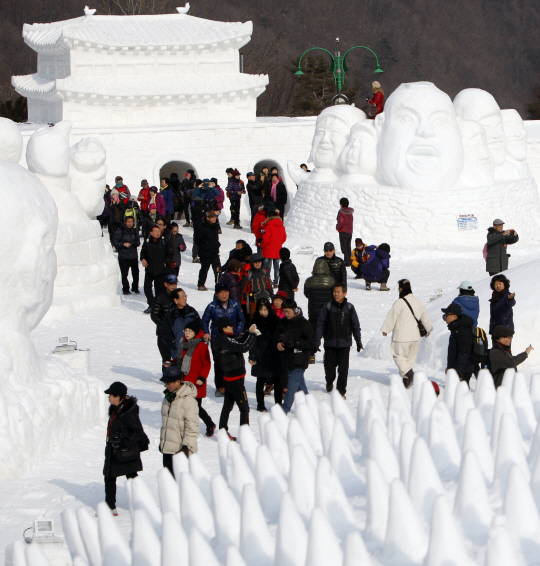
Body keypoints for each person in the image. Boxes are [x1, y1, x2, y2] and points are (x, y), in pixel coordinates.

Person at [103, 381, 148, 515]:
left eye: (111, 395)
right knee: (110, 476)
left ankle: (140, 505)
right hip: (114, 449)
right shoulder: (115, 409)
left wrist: (122, 443)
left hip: (125, 451)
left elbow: (138, 432)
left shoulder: (128, 413)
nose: (109, 398)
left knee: (131, 477)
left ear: (119, 397)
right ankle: (110, 507)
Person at [381, 279, 433, 388]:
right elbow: (425, 317)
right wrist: (428, 329)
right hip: (415, 338)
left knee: (398, 356)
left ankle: (409, 374)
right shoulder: (418, 301)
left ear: (401, 289)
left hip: (401, 337)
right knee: (409, 361)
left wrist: (386, 329)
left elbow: (392, 316)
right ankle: (406, 381)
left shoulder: (400, 302)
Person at [214, 317, 258, 439]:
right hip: (235, 379)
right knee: (244, 408)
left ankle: (223, 431)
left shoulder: (223, 339)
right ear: (224, 328)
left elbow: (239, 342)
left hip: (230, 378)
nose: (232, 327)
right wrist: (253, 334)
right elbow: (243, 347)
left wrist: (248, 333)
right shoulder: (226, 341)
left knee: (227, 406)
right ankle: (245, 437)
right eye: (229, 325)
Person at [315, 284, 362, 398]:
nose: (336, 294)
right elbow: (320, 324)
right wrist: (317, 340)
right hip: (330, 343)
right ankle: (329, 381)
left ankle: (341, 391)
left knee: (343, 370)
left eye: (338, 292)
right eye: (334, 292)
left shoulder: (350, 308)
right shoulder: (328, 307)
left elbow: (355, 325)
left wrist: (358, 340)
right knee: (329, 368)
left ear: (344, 293)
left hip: (344, 344)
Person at [202, 282, 245, 397]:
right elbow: (204, 321)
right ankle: (220, 386)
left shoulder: (235, 305)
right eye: (221, 292)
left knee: (233, 362)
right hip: (217, 339)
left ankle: (233, 385)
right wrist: (206, 332)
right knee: (219, 363)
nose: (224, 294)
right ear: (217, 294)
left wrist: (237, 332)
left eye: (226, 292)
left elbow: (241, 319)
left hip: (232, 339)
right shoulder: (212, 306)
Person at [277, 299, 317, 414]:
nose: (286, 314)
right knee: (300, 385)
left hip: (300, 359)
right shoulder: (283, 322)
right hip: (288, 358)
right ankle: (309, 405)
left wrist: (295, 344)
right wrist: (279, 342)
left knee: (292, 385)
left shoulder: (304, 323)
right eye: (284, 312)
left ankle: (285, 408)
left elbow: (311, 342)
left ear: (295, 310)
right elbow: (278, 335)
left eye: (288, 311)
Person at [159, 366, 199, 476]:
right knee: (169, 485)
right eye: (165, 383)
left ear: (178, 381)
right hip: (167, 450)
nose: (167, 386)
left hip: (181, 451)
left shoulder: (189, 401)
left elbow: (192, 428)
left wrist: (186, 448)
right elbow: (166, 424)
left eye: (169, 383)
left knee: (181, 486)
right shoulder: (167, 398)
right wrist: (163, 442)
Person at [179, 319, 216, 437]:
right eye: (186, 331)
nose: (187, 333)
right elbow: (180, 361)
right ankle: (186, 427)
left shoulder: (201, 346)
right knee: (183, 406)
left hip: (196, 383)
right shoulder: (182, 344)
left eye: (190, 331)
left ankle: (209, 423)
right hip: (183, 381)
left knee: (196, 408)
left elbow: (206, 364)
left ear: (196, 332)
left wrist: (202, 377)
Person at [249, 299, 286, 411]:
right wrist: (252, 356)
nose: (263, 312)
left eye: (265, 309)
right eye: (261, 309)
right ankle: (260, 405)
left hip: (274, 353)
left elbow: (281, 336)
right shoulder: (254, 323)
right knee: (260, 380)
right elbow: (252, 341)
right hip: (260, 354)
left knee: (277, 379)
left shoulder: (275, 321)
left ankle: (278, 405)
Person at [159, 288, 200, 363]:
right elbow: (165, 333)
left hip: (194, 350)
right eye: (182, 297)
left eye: (185, 296)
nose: (185, 298)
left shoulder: (192, 312)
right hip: (178, 352)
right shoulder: (170, 316)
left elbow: (200, 327)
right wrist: (174, 343)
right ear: (176, 300)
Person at [140, 225, 172, 314]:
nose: (158, 233)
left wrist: (166, 262)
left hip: (161, 270)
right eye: (156, 231)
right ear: (151, 232)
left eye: (159, 231)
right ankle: (151, 304)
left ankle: (159, 307)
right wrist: (143, 259)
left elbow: (170, 254)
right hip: (150, 269)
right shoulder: (147, 243)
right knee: (147, 288)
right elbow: (142, 253)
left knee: (159, 290)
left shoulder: (164, 242)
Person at [441, 303, 476, 384]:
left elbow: (464, 353)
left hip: (462, 370)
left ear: (454, 316)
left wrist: (457, 371)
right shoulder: (456, 329)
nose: (445, 317)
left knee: (461, 393)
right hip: (457, 369)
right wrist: (450, 367)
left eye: (447, 314)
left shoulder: (462, 330)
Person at [151, 274, 179, 365]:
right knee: (167, 359)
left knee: (178, 358)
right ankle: (167, 377)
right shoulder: (160, 297)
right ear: (166, 284)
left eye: (175, 283)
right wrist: (164, 326)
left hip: (177, 333)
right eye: (171, 284)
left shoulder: (178, 296)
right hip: (164, 333)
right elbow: (154, 315)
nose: (174, 286)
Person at [304, 258, 335, 334]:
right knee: (328, 334)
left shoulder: (308, 281)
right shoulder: (331, 281)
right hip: (327, 311)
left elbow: (306, 294)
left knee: (314, 334)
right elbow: (334, 295)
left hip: (313, 311)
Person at [112, 216, 140, 295]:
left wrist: (132, 244)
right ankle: (125, 289)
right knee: (124, 274)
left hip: (134, 255)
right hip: (123, 256)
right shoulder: (120, 231)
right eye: (128, 222)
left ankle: (135, 287)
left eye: (131, 222)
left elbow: (138, 242)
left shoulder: (135, 231)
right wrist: (123, 244)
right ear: (125, 222)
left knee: (136, 273)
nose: (130, 223)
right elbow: (115, 242)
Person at [242, 253, 274, 318]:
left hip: (265, 299)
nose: (257, 264)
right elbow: (243, 288)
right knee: (254, 318)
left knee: (266, 318)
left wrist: (272, 296)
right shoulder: (248, 273)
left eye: (259, 262)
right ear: (252, 263)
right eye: (255, 262)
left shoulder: (265, 272)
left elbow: (269, 285)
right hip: (253, 301)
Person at [195, 211, 221, 291]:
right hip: (205, 252)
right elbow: (197, 240)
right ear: (208, 218)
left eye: (215, 217)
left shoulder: (216, 225)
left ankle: (219, 284)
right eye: (212, 217)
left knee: (218, 269)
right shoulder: (202, 227)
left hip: (214, 251)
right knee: (204, 269)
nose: (214, 219)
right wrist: (205, 246)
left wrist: (217, 244)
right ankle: (201, 284)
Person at [261, 207, 287, 288]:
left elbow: (266, 239)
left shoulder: (269, 226)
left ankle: (266, 281)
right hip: (278, 249)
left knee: (266, 267)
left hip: (268, 249)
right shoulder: (281, 226)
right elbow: (284, 237)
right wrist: (279, 243)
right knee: (276, 267)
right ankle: (276, 282)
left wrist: (262, 245)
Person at [336, 198, 354, 267]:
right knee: (348, 246)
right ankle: (349, 260)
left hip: (343, 231)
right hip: (350, 231)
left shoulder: (341, 212)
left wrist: (337, 227)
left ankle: (347, 262)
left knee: (344, 247)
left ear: (341, 204)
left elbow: (341, 221)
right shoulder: (350, 212)